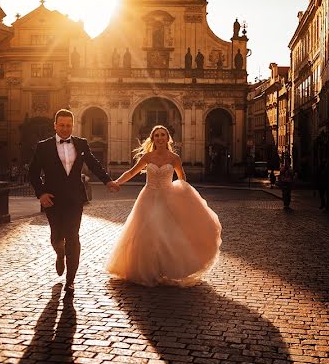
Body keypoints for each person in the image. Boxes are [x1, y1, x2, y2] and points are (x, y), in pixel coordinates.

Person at [106, 125, 221, 287]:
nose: (160, 138)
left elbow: (182, 178)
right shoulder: (147, 157)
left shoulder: (174, 158)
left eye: (163, 135)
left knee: (166, 234)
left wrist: (185, 196)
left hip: (168, 197)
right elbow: (131, 172)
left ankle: (165, 269)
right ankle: (148, 270)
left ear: (168, 138)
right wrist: (117, 182)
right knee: (146, 233)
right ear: (153, 139)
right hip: (148, 197)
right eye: (157, 135)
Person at [29, 109, 120, 292]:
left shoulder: (81, 144)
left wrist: (107, 180)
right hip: (52, 200)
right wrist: (41, 194)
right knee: (56, 237)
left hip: (74, 199)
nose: (65, 129)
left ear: (73, 125)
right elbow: (33, 172)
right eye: (61, 125)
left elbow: (94, 163)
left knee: (73, 237)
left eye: (68, 125)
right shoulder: (43, 146)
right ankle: (60, 254)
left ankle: (70, 280)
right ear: (55, 126)